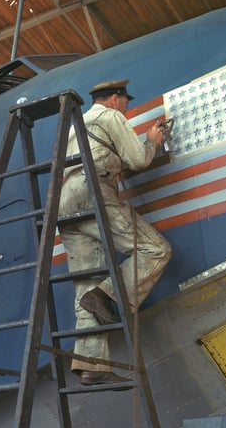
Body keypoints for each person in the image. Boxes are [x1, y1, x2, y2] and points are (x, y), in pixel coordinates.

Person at [59, 79, 172, 388]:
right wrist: (152, 140)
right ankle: (107, 295)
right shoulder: (110, 117)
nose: (127, 107)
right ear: (113, 99)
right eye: (125, 101)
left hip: (64, 204)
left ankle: (91, 366)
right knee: (156, 250)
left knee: (86, 284)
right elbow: (138, 159)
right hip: (94, 192)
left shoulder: (77, 126)